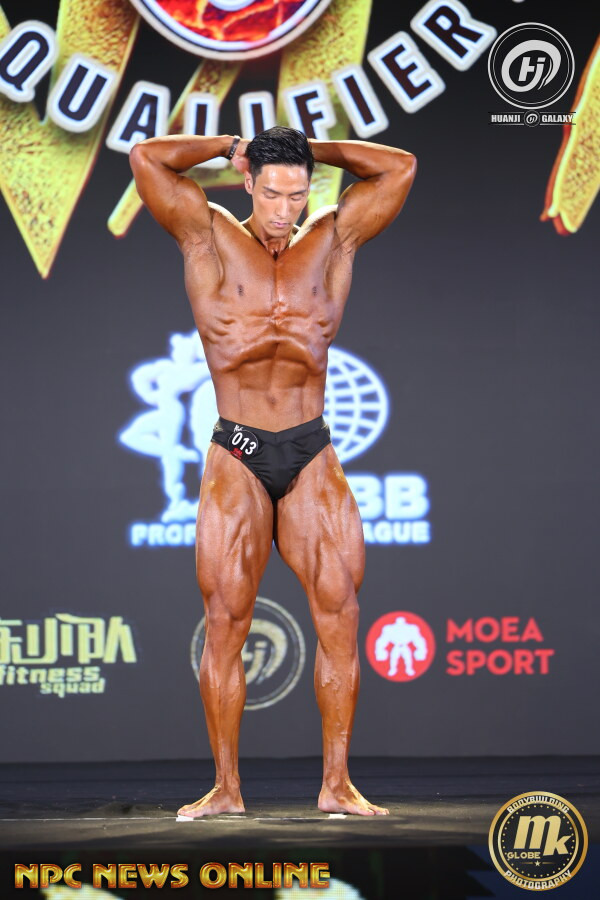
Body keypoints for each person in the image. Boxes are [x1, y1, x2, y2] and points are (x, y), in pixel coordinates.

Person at [130, 125, 417, 817]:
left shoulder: (334, 239)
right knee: (227, 619)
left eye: (298, 193)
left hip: (310, 448)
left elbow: (400, 168)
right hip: (239, 450)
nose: (285, 209)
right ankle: (226, 788)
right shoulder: (207, 236)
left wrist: (317, 150)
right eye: (273, 193)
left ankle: (337, 785)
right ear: (248, 182)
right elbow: (146, 159)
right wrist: (226, 143)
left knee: (341, 614)